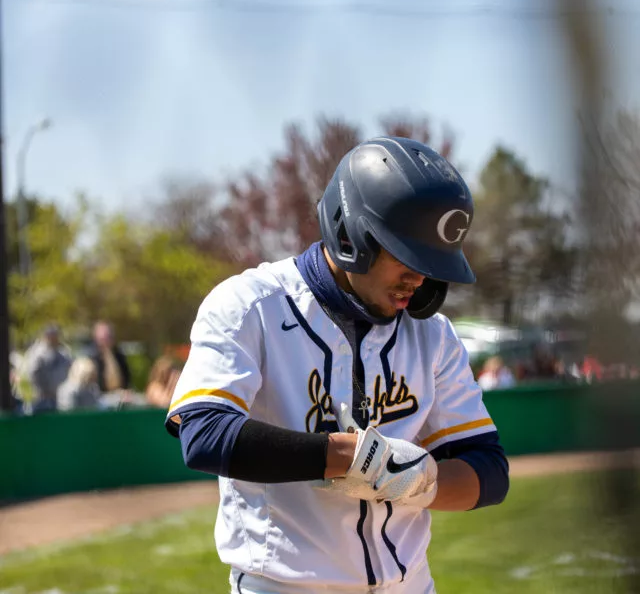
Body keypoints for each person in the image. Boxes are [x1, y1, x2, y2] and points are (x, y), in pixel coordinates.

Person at [166, 137, 510, 594]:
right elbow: (205, 434)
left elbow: (489, 471)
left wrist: (416, 481)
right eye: (405, 255)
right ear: (350, 234)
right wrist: (355, 459)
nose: (419, 277)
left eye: (430, 261)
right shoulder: (251, 306)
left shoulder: (432, 335)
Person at [23, 324, 72, 413]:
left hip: (60, 398)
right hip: (41, 398)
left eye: (55, 335)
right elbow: (32, 374)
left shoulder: (63, 353)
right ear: (45, 336)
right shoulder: (37, 353)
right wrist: (42, 390)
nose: (53, 338)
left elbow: (70, 371)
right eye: (51, 335)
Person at [89, 321, 131, 393]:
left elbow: (127, 380)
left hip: (120, 396)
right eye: (102, 339)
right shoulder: (92, 359)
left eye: (108, 337)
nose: (105, 342)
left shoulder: (120, 357)